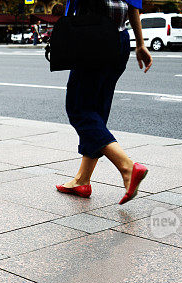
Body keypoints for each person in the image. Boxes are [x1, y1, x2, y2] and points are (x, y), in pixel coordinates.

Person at [55, 0, 152, 203]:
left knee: (79, 109)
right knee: (97, 110)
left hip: (94, 37)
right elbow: (133, 5)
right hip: (120, 40)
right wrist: (140, 44)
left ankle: (127, 167)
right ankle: (82, 179)